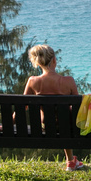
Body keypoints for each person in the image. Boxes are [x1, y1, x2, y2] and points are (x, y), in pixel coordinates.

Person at [24, 44, 86, 172]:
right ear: (54, 60)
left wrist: (9, 123)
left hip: (46, 127)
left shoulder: (32, 81)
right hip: (70, 128)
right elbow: (78, 107)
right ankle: (71, 161)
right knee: (65, 119)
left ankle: (71, 161)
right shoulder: (69, 81)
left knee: (60, 119)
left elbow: (22, 107)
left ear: (38, 62)